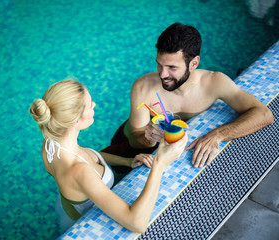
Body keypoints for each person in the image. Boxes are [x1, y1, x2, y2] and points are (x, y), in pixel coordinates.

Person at [102, 22, 274, 175]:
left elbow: (264, 114)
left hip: (166, 143)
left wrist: (217, 135)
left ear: (194, 63)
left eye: (172, 67)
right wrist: (148, 139)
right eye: (159, 64)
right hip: (128, 143)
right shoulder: (143, 87)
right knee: (114, 172)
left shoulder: (214, 83)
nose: (163, 74)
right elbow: (135, 139)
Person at [29, 80, 187, 233]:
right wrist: (160, 163)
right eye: (90, 104)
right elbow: (137, 223)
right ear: (76, 120)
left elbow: (87, 154)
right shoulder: (81, 172)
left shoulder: (51, 141)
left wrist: (127, 161)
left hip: (66, 207)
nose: (94, 105)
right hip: (82, 221)